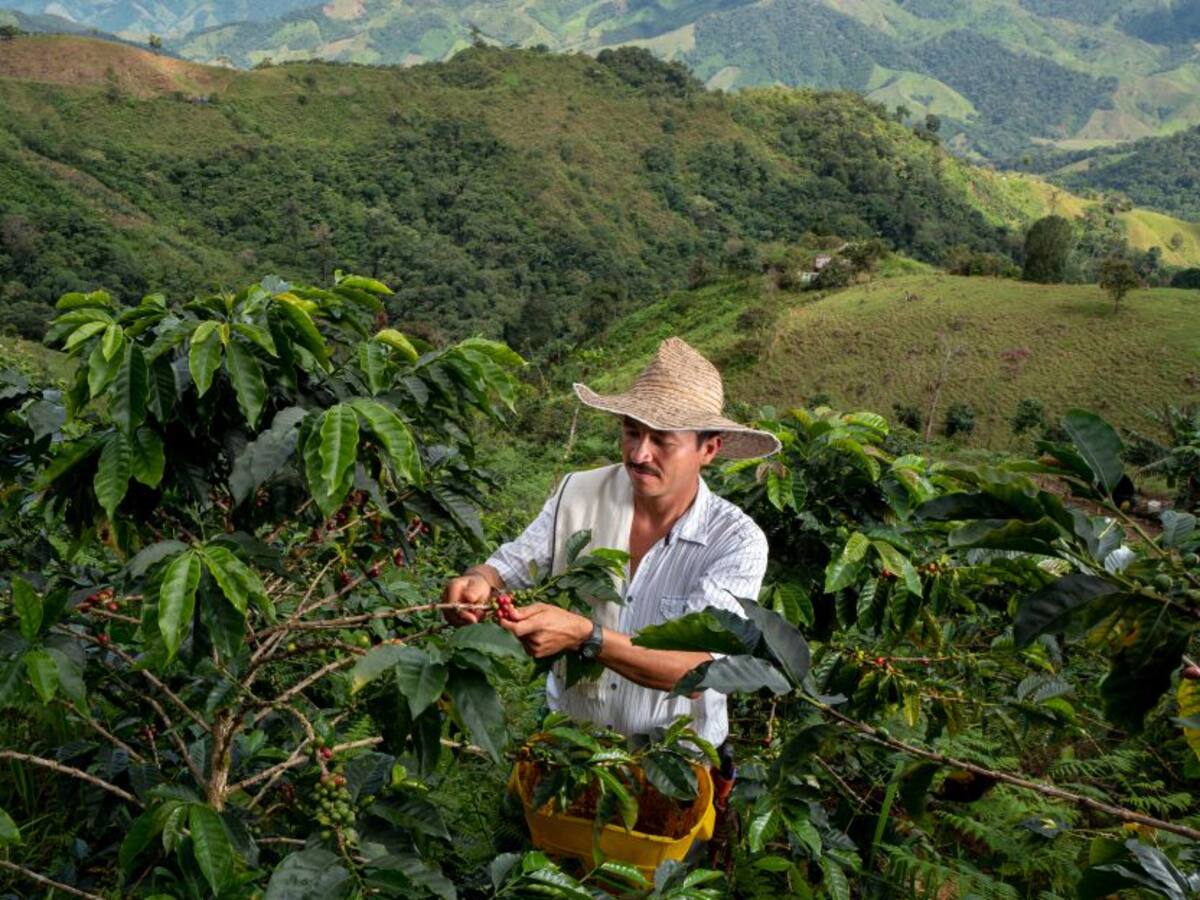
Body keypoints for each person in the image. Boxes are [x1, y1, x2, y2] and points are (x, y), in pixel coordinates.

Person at [441, 337, 780, 747]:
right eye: (631, 433)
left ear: (708, 449)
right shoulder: (577, 494)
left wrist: (587, 636)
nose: (639, 454)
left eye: (662, 441)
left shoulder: (735, 542)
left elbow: (698, 671)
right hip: (571, 747)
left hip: (676, 759)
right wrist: (477, 581)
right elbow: (507, 569)